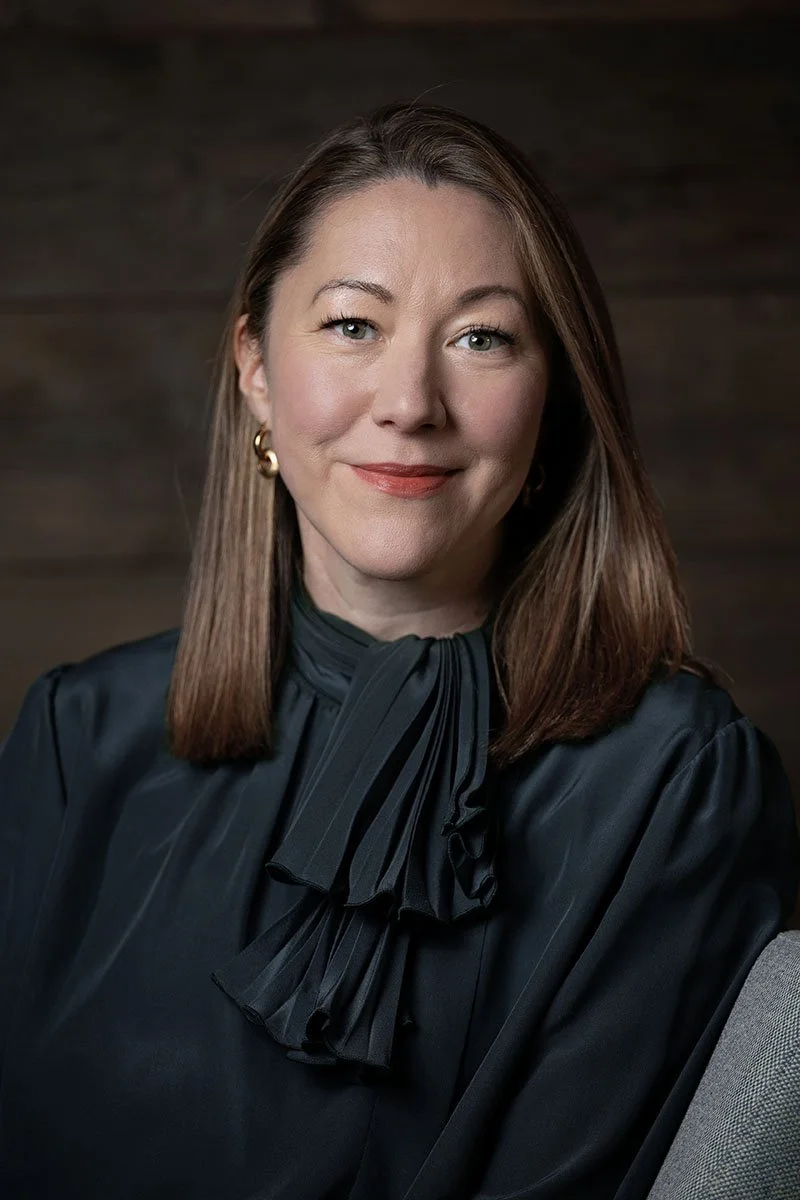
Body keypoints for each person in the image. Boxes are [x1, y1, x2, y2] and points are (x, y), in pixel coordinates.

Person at [0, 100, 797, 1200]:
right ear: (256, 369)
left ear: (550, 398)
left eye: (481, 337)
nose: (411, 404)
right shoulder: (74, 736)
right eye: (350, 326)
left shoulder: (677, 780)